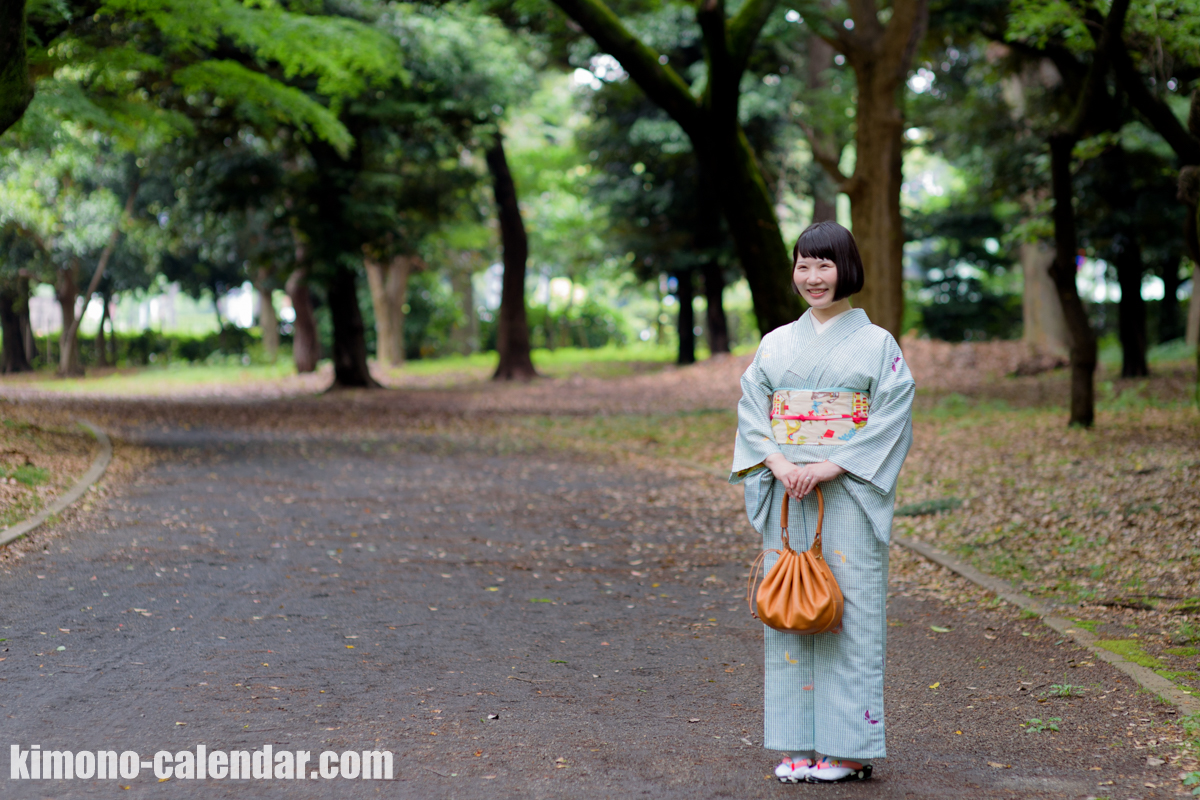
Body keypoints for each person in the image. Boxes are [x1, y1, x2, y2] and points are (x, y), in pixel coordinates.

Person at [729, 221, 915, 784]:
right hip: (788, 490)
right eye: (804, 265)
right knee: (790, 607)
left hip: (848, 491)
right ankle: (797, 744)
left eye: (825, 265)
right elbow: (752, 407)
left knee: (847, 611)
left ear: (846, 269)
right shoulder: (775, 343)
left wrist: (832, 465)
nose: (813, 277)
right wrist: (780, 464)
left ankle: (849, 750)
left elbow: (893, 411)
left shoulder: (877, 344)